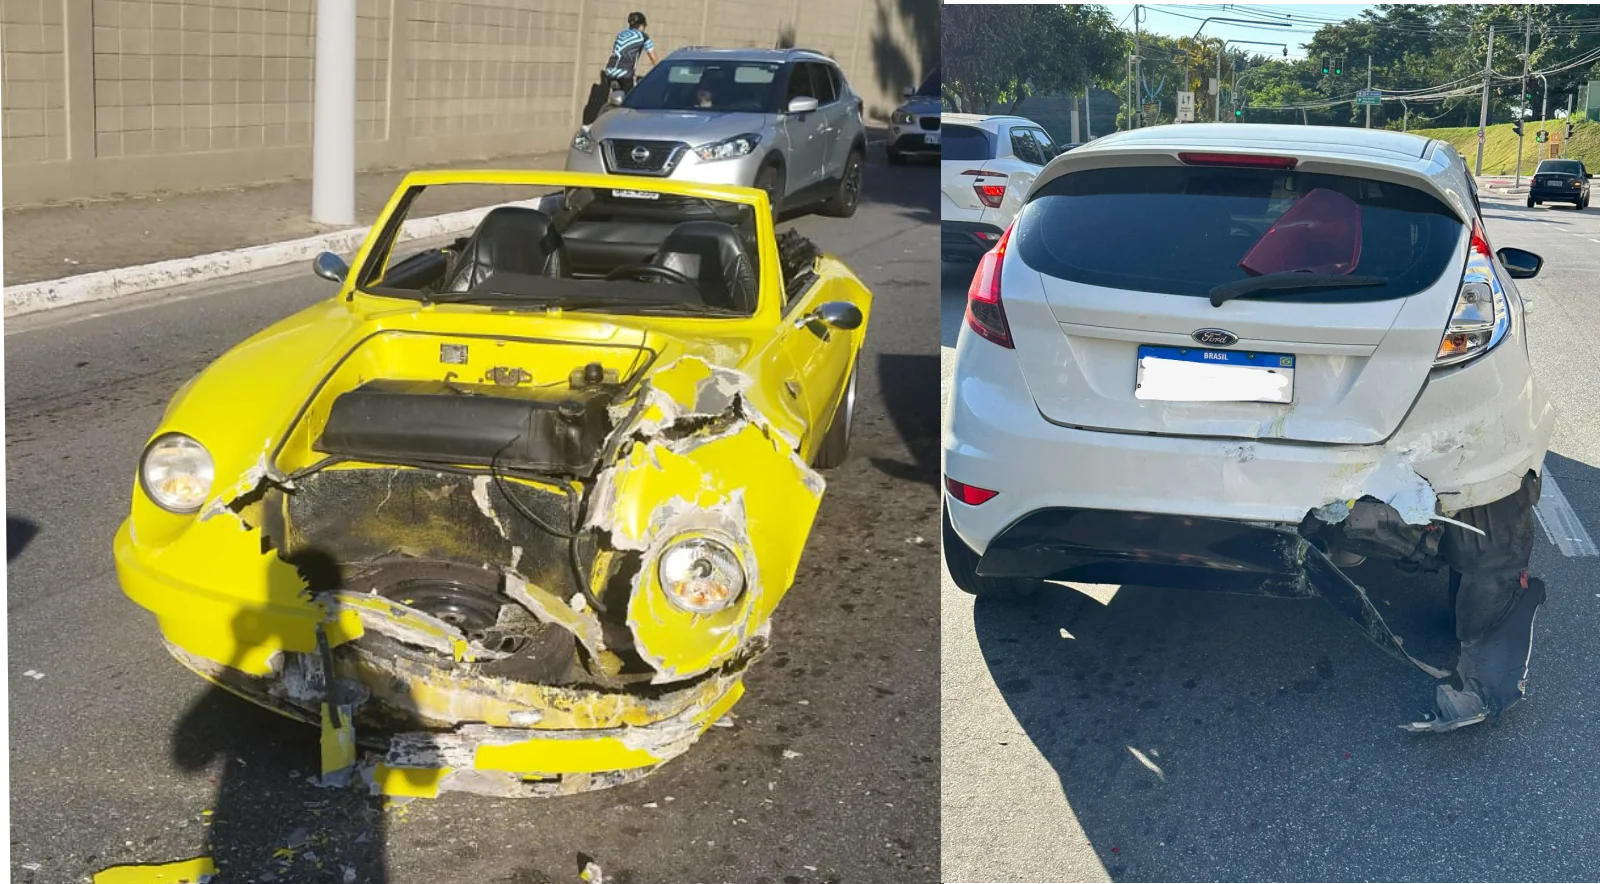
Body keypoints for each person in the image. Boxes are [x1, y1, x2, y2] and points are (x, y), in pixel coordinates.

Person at [602, 12, 658, 97]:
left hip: (610, 71)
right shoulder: (643, 36)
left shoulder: (621, 34)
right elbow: (653, 58)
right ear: (641, 25)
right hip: (625, 73)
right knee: (631, 100)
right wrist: (660, 71)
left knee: (617, 99)